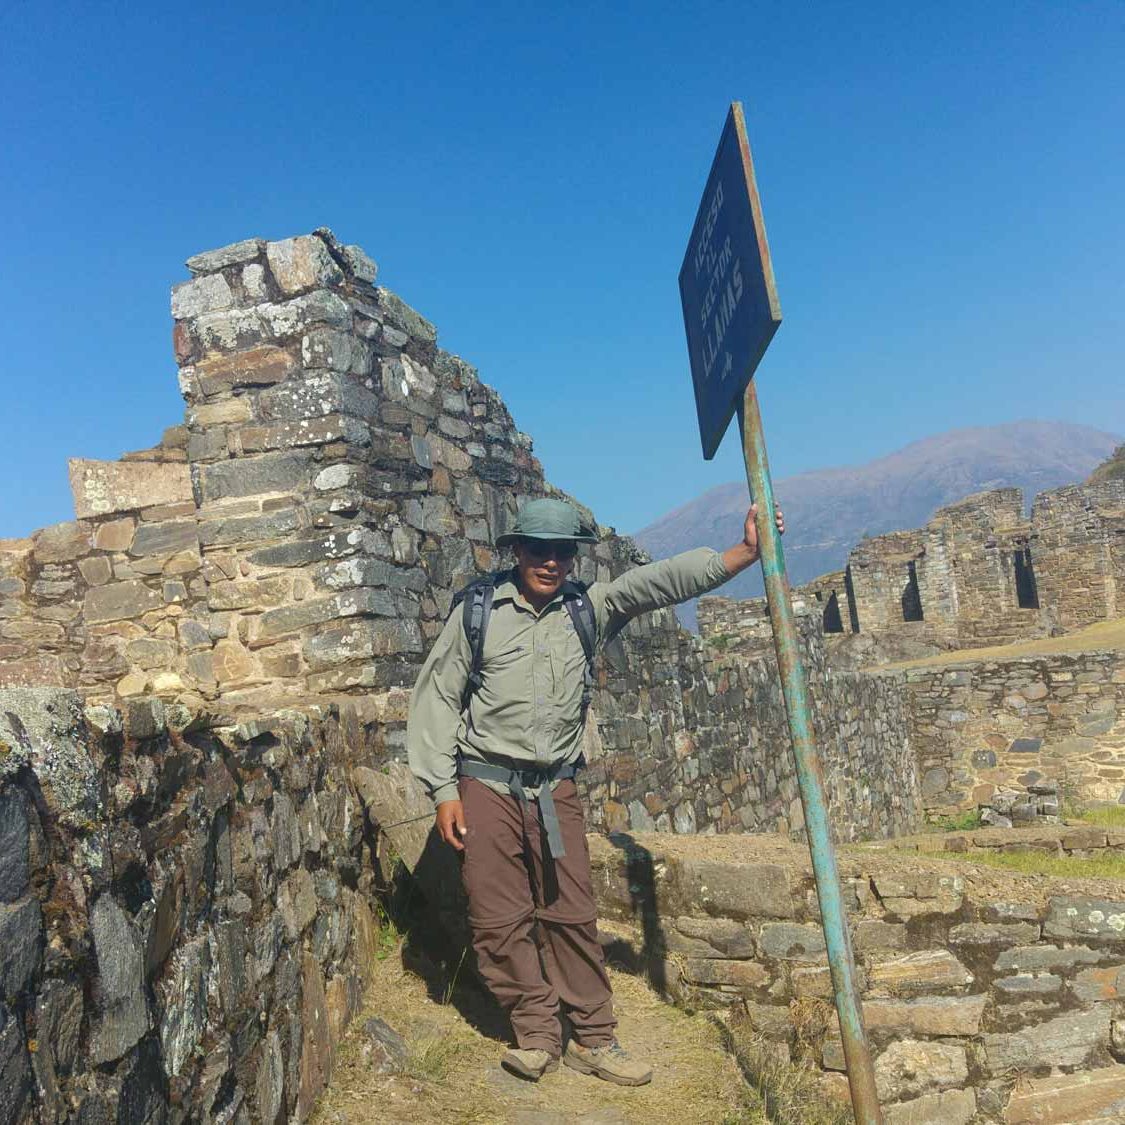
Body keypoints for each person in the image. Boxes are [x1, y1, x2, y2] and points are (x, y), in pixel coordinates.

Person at [406, 496, 784, 1085]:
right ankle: (536, 1032)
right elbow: (437, 695)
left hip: (555, 787)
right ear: (517, 551)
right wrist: (441, 791)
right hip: (485, 783)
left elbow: (656, 583)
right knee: (497, 917)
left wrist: (743, 554)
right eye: (539, 550)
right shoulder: (478, 611)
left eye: (563, 553)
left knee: (572, 913)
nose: (551, 563)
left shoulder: (590, 608)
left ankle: (595, 1037)